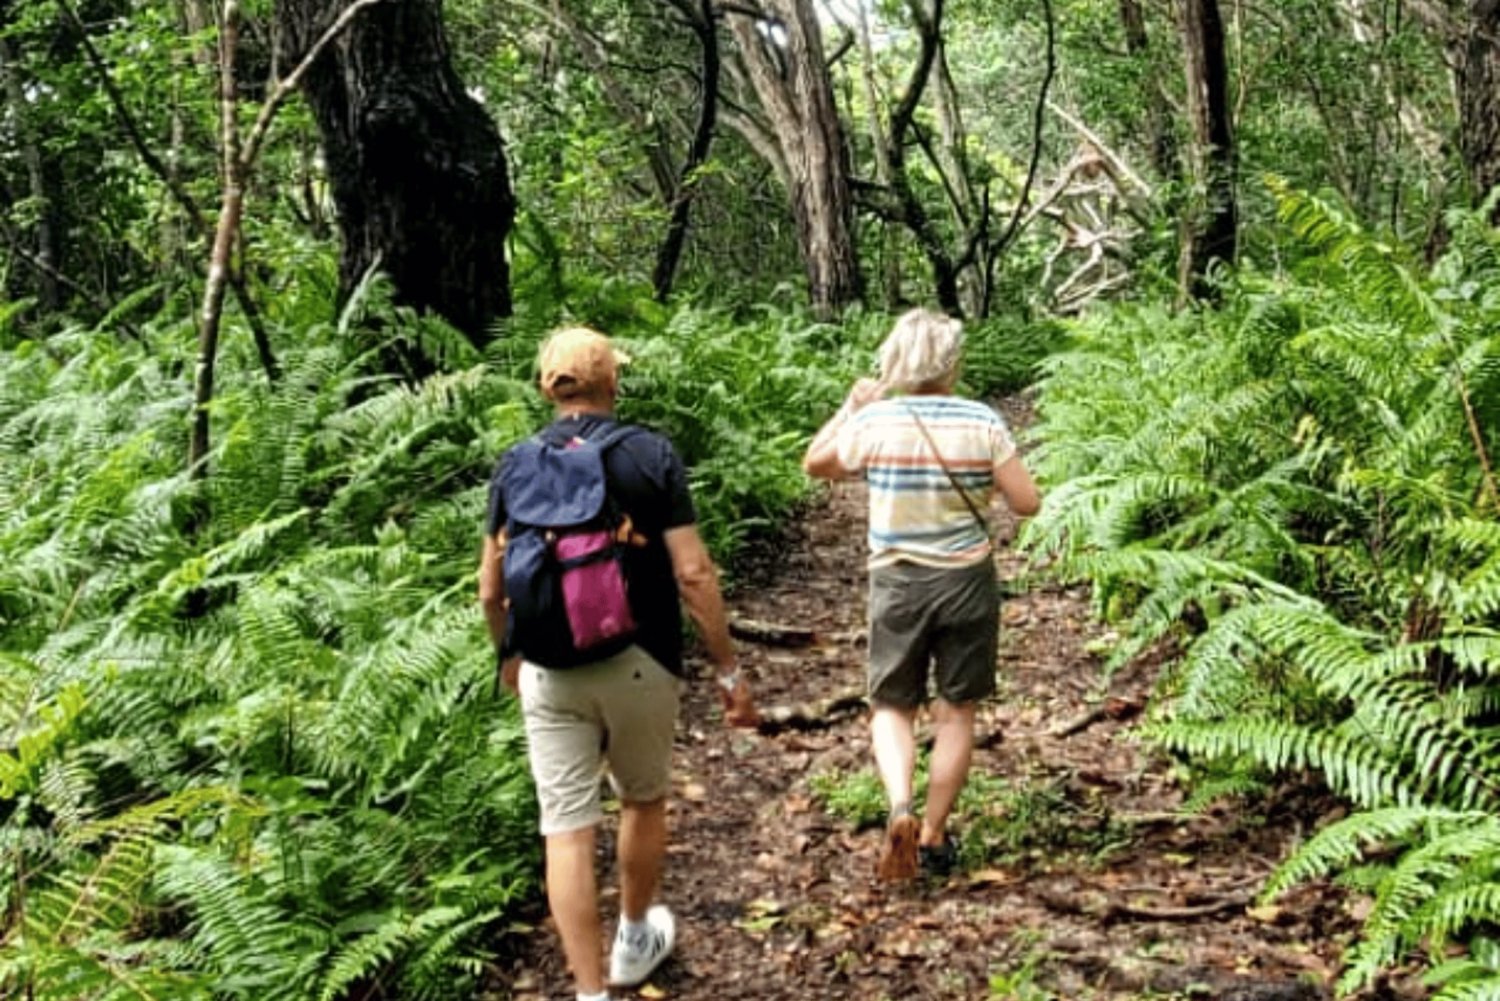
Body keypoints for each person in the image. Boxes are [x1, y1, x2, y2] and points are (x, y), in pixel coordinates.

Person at [478, 326, 759, 1001]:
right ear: (613, 382)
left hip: (548, 662)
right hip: (641, 657)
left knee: (566, 829)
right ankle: (635, 937)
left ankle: (588, 991)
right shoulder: (649, 453)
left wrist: (509, 654)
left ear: (548, 388)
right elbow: (692, 572)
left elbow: (490, 588)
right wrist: (727, 668)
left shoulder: (514, 464)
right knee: (642, 796)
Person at [802, 308, 1041, 881]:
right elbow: (1027, 502)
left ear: (895, 360)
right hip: (966, 583)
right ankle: (932, 835)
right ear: (952, 361)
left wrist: (850, 407)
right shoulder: (982, 422)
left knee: (892, 706)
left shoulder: (876, 421)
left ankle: (899, 807)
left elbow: (816, 464)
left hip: (897, 584)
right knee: (956, 710)